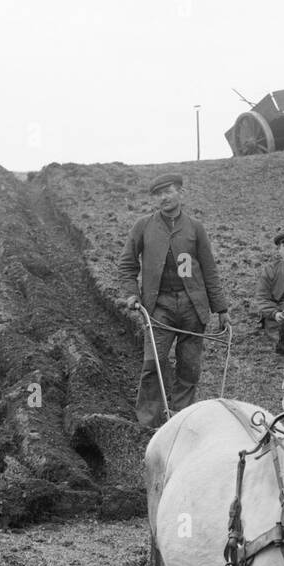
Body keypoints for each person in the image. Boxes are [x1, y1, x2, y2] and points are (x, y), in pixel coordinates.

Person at [117, 173, 228, 428]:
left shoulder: (195, 228)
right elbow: (126, 265)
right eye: (157, 194)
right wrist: (132, 294)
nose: (163, 198)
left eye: (168, 191)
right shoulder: (143, 227)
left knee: (189, 367)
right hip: (159, 307)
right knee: (152, 365)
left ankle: (180, 421)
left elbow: (209, 269)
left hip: (193, 307)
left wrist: (221, 309)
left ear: (180, 193)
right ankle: (147, 425)